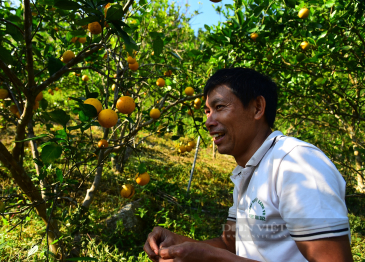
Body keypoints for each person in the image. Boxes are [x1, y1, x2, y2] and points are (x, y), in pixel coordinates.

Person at [143, 68, 353, 262]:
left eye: (219, 107)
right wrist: (179, 244)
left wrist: (213, 258)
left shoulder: (296, 163)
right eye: (207, 111)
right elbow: (230, 244)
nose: (208, 122)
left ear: (257, 108)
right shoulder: (248, 172)